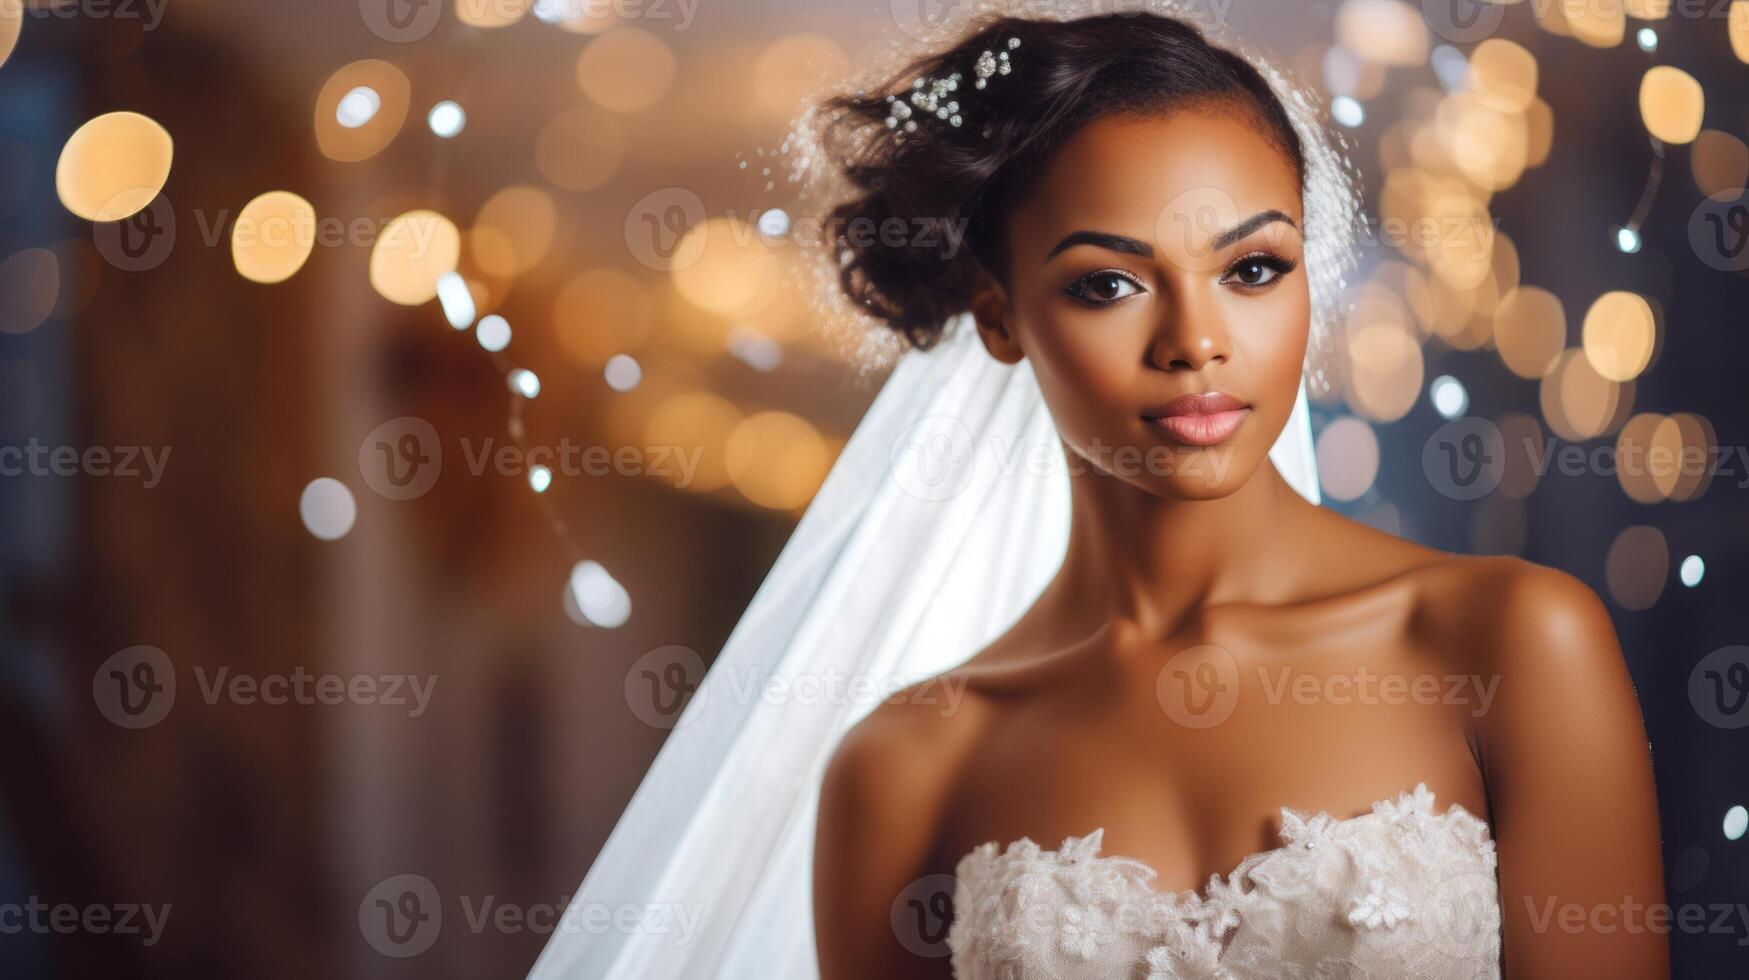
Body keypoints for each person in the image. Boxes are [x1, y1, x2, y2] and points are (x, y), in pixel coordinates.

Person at [809, 11, 1666, 979]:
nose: (1196, 339)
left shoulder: (1509, 638)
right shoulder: (907, 763)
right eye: (1109, 284)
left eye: (1252, 269)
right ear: (1001, 318)